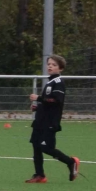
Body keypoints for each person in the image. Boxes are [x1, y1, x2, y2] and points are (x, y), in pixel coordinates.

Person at [26, 55, 80, 184]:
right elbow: (47, 103)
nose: (50, 66)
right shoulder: (50, 82)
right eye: (49, 64)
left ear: (60, 68)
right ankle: (40, 175)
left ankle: (71, 162)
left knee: (46, 148)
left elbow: (56, 101)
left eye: (54, 65)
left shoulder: (58, 82)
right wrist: (38, 107)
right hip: (40, 120)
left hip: (50, 122)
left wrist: (38, 98)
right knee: (36, 146)